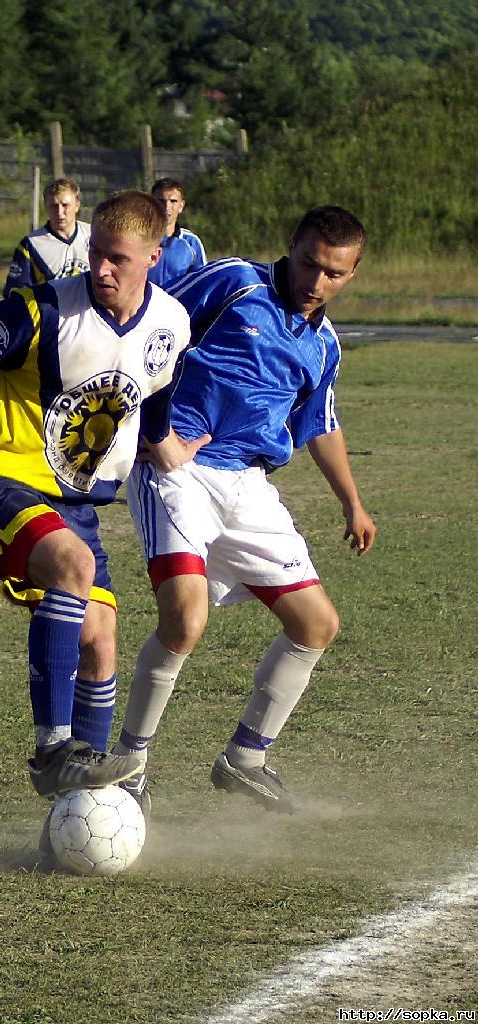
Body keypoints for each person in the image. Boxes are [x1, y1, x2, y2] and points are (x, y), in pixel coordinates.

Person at [0, 190, 209, 800]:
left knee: (101, 639)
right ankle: (53, 749)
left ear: (154, 257)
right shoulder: (39, 312)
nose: (102, 269)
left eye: (118, 258)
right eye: (97, 255)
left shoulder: (170, 327)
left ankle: (80, 809)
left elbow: (153, 413)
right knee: (74, 566)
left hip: (75, 505)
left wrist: (176, 452)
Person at [114, 205, 377, 815]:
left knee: (316, 624)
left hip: (249, 484)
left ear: (351, 275)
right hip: (178, 470)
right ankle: (130, 766)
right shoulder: (235, 282)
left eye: (334, 273)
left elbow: (322, 424)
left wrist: (353, 503)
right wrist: (151, 434)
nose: (317, 281)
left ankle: (246, 758)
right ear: (291, 245)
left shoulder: (324, 343)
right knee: (185, 620)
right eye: (310, 262)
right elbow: (152, 327)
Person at [2, 177, 90, 297]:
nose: (60, 212)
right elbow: (16, 292)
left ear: (77, 206)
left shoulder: (95, 235)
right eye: (54, 206)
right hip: (53, 313)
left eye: (65, 205)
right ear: (46, 206)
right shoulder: (31, 244)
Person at [147, 178, 207, 289]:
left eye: (173, 201)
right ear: (151, 203)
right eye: (161, 201)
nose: (166, 207)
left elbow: (201, 283)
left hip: (178, 304)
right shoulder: (139, 238)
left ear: (181, 206)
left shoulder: (191, 243)